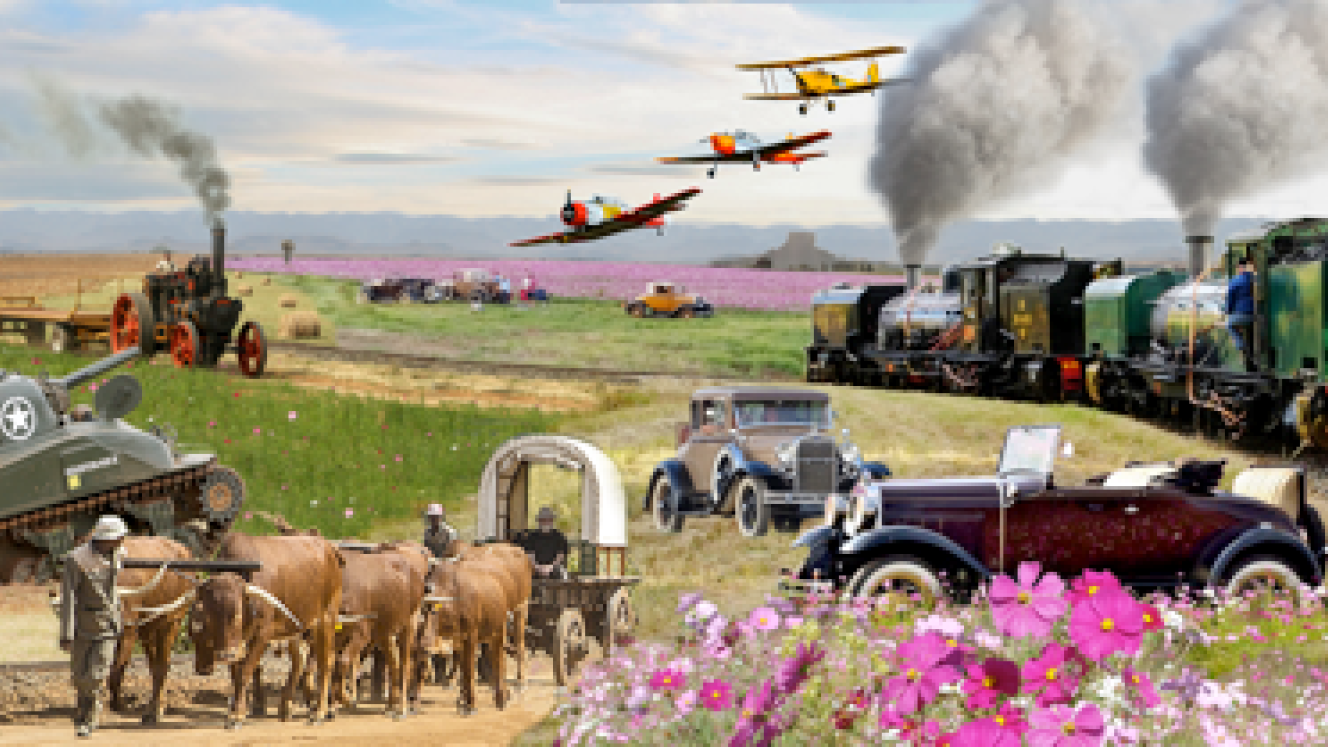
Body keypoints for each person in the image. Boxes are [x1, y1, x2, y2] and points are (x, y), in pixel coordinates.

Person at [59, 515, 128, 738]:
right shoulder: (77, 559)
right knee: (79, 676)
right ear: (106, 539)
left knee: (96, 675)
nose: (122, 541)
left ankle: (90, 720)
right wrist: (67, 633)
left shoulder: (119, 554)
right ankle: (83, 712)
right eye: (119, 538)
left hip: (109, 626)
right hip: (83, 626)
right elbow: (68, 597)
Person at [522, 506, 569, 579]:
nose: (546, 522)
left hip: (555, 567)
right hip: (536, 567)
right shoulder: (531, 537)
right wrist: (538, 567)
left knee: (561, 573)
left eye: (548, 520)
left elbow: (561, 555)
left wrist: (550, 567)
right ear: (539, 521)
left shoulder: (559, 536)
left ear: (552, 521)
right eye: (543, 520)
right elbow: (530, 555)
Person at [1226, 258, 1256, 372]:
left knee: (1229, 325)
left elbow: (1230, 298)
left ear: (1239, 267)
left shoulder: (1236, 281)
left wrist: (1227, 311)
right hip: (1255, 315)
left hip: (1242, 314)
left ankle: (1241, 347)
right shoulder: (1254, 278)